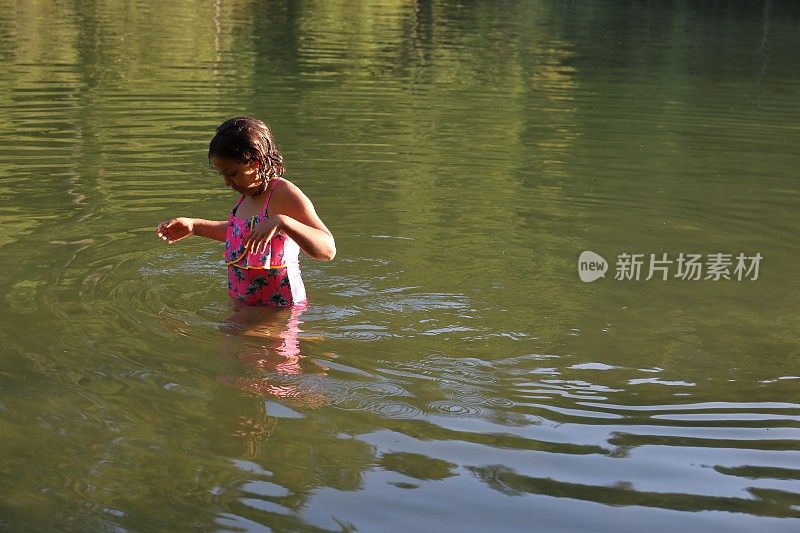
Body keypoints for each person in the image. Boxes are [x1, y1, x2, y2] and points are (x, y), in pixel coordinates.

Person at [157, 116, 335, 307]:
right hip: (244, 305)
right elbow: (240, 234)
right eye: (222, 174)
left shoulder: (283, 194)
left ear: (255, 163)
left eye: (232, 173)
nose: (227, 182)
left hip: (279, 310)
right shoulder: (247, 193)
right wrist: (195, 226)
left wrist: (284, 221)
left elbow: (328, 250)